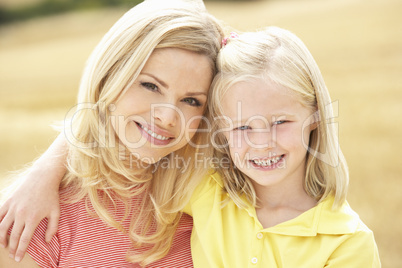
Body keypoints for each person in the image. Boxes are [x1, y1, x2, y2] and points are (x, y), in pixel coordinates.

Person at [0, 0, 223, 266]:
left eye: (191, 101)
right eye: (151, 86)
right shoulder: (35, 217)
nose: (166, 117)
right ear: (110, 76)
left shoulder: (213, 198)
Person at [182, 27, 381, 267]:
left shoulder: (346, 242)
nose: (263, 143)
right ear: (220, 131)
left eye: (280, 122)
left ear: (316, 115)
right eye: (242, 128)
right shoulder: (204, 190)